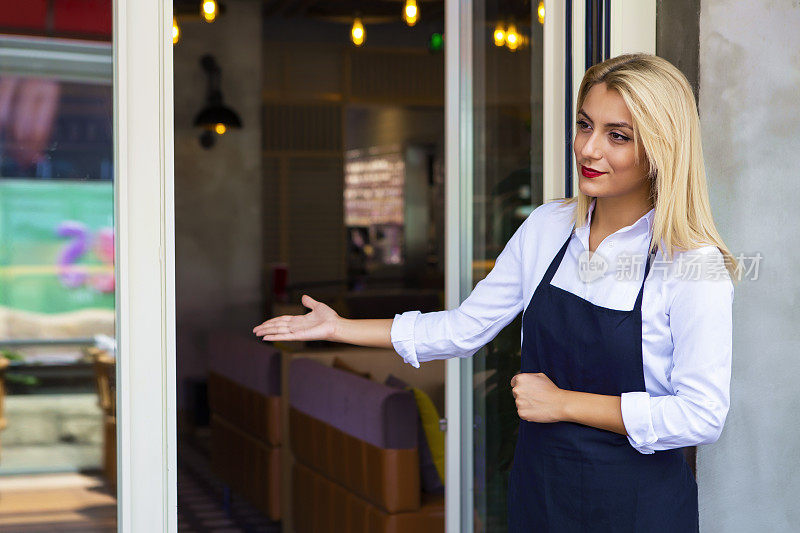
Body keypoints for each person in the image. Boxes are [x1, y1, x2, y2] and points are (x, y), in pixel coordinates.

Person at [252, 53, 736, 532]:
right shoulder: (548, 229)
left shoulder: (692, 264)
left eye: (618, 136)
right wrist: (340, 328)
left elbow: (701, 416)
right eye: (585, 125)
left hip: (638, 510)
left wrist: (564, 403)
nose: (589, 150)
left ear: (661, 149)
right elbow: (465, 328)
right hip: (541, 495)